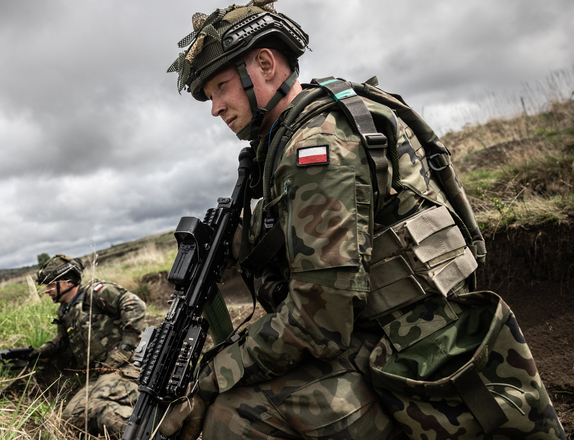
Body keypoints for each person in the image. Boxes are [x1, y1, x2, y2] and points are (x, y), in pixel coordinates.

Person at [160, 1, 566, 439]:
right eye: (209, 96)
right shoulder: (324, 117)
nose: (216, 107)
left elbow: (319, 324)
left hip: (417, 356)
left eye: (221, 86)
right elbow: (292, 230)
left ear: (265, 64)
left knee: (234, 414)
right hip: (425, 329)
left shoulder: (316, 148)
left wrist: (211, 376)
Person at [32, 254, 146, 438]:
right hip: (99, 372)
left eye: (51, 284)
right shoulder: (65, 310)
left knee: (98, 407)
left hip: (125, 365)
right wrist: (38, 352)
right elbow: (62, 340)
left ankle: (153, 431)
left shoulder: (96, 293)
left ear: (68, 282)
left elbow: (135, 305)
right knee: (70, 419)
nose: (47, 290)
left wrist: (126, 348)